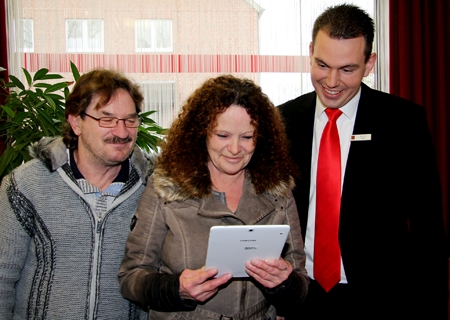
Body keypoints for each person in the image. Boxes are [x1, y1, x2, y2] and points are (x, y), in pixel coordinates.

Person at [278, 4, 448, 319]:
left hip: (381, 299)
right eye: (322, 64)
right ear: (311, 52)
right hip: (300, 295)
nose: (331, 81)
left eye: (347, 69)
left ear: (369, 64)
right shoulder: (282, 120)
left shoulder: (403, 122)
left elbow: (429, 229)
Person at [118, 74, 309, 319]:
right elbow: (131, 277)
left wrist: (285, 284)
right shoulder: (165, 189)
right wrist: (176, 289)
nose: (234, 149)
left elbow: (300, 286)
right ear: (202, 133)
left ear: (261, 138)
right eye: (223, 135)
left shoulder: (279, 192)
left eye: (247, 137)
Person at [0, 69, 151, 319]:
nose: (122, 132)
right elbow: (2, 278)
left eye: (130, 120)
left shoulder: (154, 190)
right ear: (76, 122)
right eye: (107, 119)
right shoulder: (26, 186)